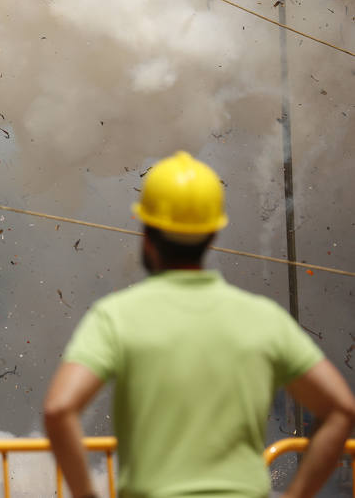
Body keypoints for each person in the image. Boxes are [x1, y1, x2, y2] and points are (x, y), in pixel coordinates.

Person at [43, 151, 355, 498]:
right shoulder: (262, 318)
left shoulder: (117, 316)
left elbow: (59, 408)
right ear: (211, 235)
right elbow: (340, 408)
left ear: (147, 235)